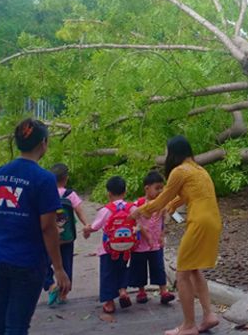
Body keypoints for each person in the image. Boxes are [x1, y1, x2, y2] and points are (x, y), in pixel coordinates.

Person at [0, 118, 71, 335]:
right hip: (26, 263)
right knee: (17, 326)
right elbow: (48, 228)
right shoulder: (44, 179)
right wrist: (59, 269)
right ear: (44, 143)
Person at [131, 136, 222, 335]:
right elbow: (188, 194)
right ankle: (208, 316)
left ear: (173, 152)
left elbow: (163, 197)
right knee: (194, 269)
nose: (165, 156)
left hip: (199, 222)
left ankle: (188, 326)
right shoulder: (199, 169)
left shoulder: (179, 171)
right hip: (213, 221)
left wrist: (140, 211)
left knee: (182, 273)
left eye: (166, 152)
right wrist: (172, 206)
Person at [83, 176, 133, 314]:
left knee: (108, 274)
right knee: (122, 269)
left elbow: (95, 227)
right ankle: (123, 290)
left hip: (108, 249)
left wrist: (87, 230)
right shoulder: (131, 208)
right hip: (126, 248)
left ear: (109, 193)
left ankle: (109, 302)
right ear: (125, 192)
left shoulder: (105, 210)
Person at [127, 171, 176, 305]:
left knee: (158, 267)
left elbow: (162, 222)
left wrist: (162, 235)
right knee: (139, 267)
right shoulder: (138, 204)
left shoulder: (162, 205)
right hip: (140, 244)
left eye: (162, 188)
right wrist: (145, 235)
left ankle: (164, 291)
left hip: (155, 243)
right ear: (147, 188)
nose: (160, 191)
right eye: (157, 188)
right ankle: (141, 291)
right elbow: (134, 221)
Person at [44, 163, 88, 306]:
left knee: (44, 263)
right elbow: (79, 210)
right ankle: (63, 294)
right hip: (67, 238)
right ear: (66, 179)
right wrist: (86, 225)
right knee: (66, 264)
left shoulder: (46, 193)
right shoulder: (70, 195)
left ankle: (50, 285)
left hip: (49, 239)